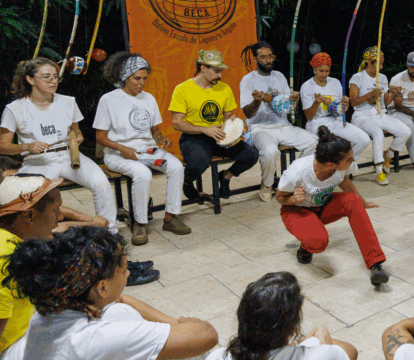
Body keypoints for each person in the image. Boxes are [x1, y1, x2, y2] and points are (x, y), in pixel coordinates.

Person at [2, 225, 219, 360]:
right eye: (123, 269)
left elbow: (121, 299)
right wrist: (184, 325)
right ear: (102, 287)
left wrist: (173, 323)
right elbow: (207, 335)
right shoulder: (94, 339)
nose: (128, 274)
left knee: (121, 311)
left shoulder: (54, 303)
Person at [0, 58, 118, 237]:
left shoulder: (68, 102)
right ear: (30, 79)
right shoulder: (15, 109)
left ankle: (109, 234)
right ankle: (45, 237)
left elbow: (76, 131)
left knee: (101, 184)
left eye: (55, 77)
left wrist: (77, 137)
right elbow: (3, 146)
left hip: (69, 156)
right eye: (46, 77)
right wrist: (27, 146)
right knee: (34, 199)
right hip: (37, 161)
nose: (53, 81)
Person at [94, 52, 189, 246]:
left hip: (147, 150)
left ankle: (171, 217)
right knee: (142, 174)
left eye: (145, 78)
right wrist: (122, 147)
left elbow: (155, 131)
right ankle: (139, 223)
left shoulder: (148, 98)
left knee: (176, 167)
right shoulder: (108, 100)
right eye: (137, 78)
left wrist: (161, 139)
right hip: (117, 153)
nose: (142, 83)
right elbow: (100, 137)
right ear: (124, 77)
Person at [275, 126, 389, 286]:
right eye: (348, 159)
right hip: (296, 210)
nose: (353, 161)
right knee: (318, 242)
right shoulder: (297, 172)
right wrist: (293, 199)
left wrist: (363, 203)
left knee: (353, 200)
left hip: (322, 205)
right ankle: (306, 246)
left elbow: (345, 182)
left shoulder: (344, 166)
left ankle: (375, 264)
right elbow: (280, 198)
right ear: (331, 164)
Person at [169, 50, 258, 201]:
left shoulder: (224, 88)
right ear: (203, 68)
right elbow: (177, 123)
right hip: (193, 138)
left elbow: (228, 116)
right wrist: (205, 130)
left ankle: (225, 176)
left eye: (221, 71)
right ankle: (186, 181)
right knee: (199, 163)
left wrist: (232, 123)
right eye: (217, 71)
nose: (220, 75)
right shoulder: (182, 89)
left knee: (251, 155)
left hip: (219, 135)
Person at [207, 272, 357, 360]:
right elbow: (350, 351)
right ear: (292, 328)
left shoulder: (218, 356)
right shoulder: (320, 355)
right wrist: (318, 333)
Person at [239, 41, 318, 202]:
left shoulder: (279, 76)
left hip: (283, 125)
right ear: (255, 59)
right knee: (270, 152)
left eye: (270, 56)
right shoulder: (248, 80)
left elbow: (286, 107)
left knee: (314, 142)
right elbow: (247, 112)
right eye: (263, 57)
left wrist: (293, 101)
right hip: (260, 128)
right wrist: (257, 101)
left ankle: (293, 178)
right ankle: (267, 185)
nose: (268, 60)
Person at [0, 174, 62, 357]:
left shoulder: (12, 242)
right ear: (28, 215)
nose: (60, 217)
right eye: (55, 210)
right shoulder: (7, 256)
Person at [349, 47, 412, 186]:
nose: (382, 67)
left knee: (406, 131)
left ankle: (387, 155)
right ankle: (379, 171)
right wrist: (369, 95)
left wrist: (393, 93)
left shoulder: (382, 77)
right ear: (369, 63)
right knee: (378, 133)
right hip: (362, 116)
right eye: (379, 64)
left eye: (382, 64)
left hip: (380, 114)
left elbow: (385, 103)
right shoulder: (357, 77)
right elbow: (352, 102)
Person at [300, 52, 369, 160]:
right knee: (326, 149)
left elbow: (341, 109)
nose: (324, 74)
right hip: (317, 123)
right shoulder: (307, 86)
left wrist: (345, 105)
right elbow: (309, 116)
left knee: (364, 140)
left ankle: (344, 165)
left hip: (336, 120)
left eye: (327, 71)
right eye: (321, 71)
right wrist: (316, 103)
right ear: (314, 69)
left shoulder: (335, 82)